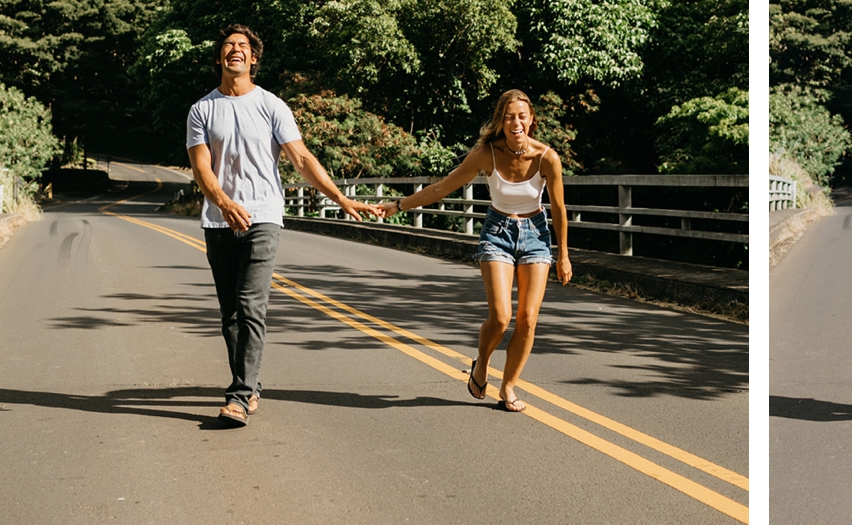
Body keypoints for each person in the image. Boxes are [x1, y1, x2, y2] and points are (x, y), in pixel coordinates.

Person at [186, 24, 382, 427]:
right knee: (230, 314)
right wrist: (222, 203)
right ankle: (250, 385)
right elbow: (201, 167)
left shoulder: (272, 105)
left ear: (253, 59)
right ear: (219, 58)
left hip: (263, 217)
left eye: (242, 47)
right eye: (228, 46)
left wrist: (341, 198)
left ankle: (239, 395)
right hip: (218, 220)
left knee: (250, 304)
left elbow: (302, 159)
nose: (234, 51)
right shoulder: (202, 109)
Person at [380, 89, 571, 412]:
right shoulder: (486, 154)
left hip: (536, 234)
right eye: (509, 116)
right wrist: (398, 205)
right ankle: (482, 363)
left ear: (532, 120)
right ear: (501, 120)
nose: (516, 122)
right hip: (498, 232)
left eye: (522, 116)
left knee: (527, 319)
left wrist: (564, 255)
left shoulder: (546, 157)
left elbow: (559, 208)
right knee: (500, 317)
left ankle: (508, 386)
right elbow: (443, 187)